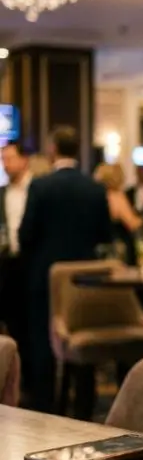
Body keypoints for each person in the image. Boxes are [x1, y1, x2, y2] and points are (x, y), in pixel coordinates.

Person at [19, 126, 112, 413]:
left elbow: (26, 236)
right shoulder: (95, 188)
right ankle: (84, 408)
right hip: (84, 280)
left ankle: (45, 409)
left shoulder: (40, 186)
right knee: (83, 347)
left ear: (52, 149)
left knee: (44, 344)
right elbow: (104, 235)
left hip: (46, 278)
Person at [0, 141, 32, 388]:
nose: (5, 164)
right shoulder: (2, 194)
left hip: (31, 264)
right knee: (11, 323)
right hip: (7, 265)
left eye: (10, 158)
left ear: (24, 160)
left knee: (29, 327)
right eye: (3, 159)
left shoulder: (37, 190)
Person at [94, 163, 143, 265]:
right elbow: (132, 224)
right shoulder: (116, 196)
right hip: (119, 248)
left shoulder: (98, 196)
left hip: (101, 247)